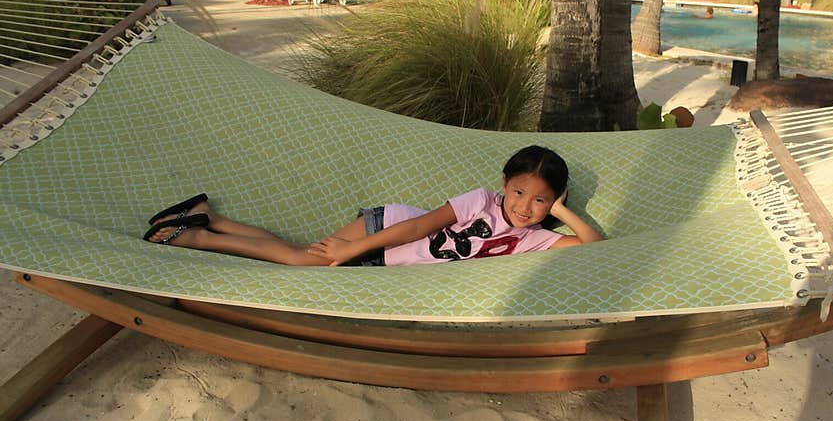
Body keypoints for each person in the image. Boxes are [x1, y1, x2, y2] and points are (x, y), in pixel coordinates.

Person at [142, 145, 604, 266]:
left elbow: (595, 248)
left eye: (540, 200)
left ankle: (212, 218)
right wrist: (351, 250)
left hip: (385, 257)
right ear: (504, 183)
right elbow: (419, 228)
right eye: (520, 192)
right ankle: (196, 236)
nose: (525, 207)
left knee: (298, 250)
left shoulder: (535, 238)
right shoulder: (481, 201)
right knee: (305, 261)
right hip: (389, 228)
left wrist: (560, 213)